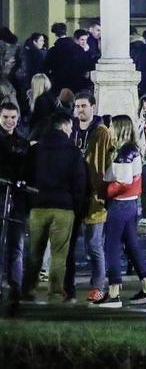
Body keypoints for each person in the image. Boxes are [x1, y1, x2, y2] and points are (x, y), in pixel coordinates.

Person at [23, 111, 86, 303]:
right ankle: (56, 291)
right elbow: (79, 183)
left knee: (34, 251)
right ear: (64, 126)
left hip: (38, 206)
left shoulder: (36, 149)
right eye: (70, 127)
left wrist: (29, 203)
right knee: (59, 253)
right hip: (63, 207)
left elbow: (26, 176)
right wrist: (78, 208)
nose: (71, 130)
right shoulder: (73, 151)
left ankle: (28, 289)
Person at [94, 116, 146, 308]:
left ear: (120, 129)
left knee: (111, 247)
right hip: (130, 205)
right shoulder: (131, 149)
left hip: (120, 205)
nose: (110, 130)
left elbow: (122, 182)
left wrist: (103, 192)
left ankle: (114, 293)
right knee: (131, 245)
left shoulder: (125, 151)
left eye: (112, 127)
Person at [69, 91, 111, 301]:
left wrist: (102, 193)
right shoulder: (71, 129)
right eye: (77, 106)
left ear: (93, 107)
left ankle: (98, 285)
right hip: (73, 195)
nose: (80, 110)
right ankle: (67, 286)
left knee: (94, 245)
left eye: (83, 106)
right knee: (70, 245)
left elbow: (105, 164)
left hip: (95, 196)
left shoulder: (101, 131)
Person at [0, 100, 29, 302]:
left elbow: (28, 169)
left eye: (12, 117)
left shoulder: (22, 143)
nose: (9, 121)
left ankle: (15, 287)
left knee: (16, 244)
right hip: (1, 194)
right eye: (5, 117)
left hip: (17, 198)